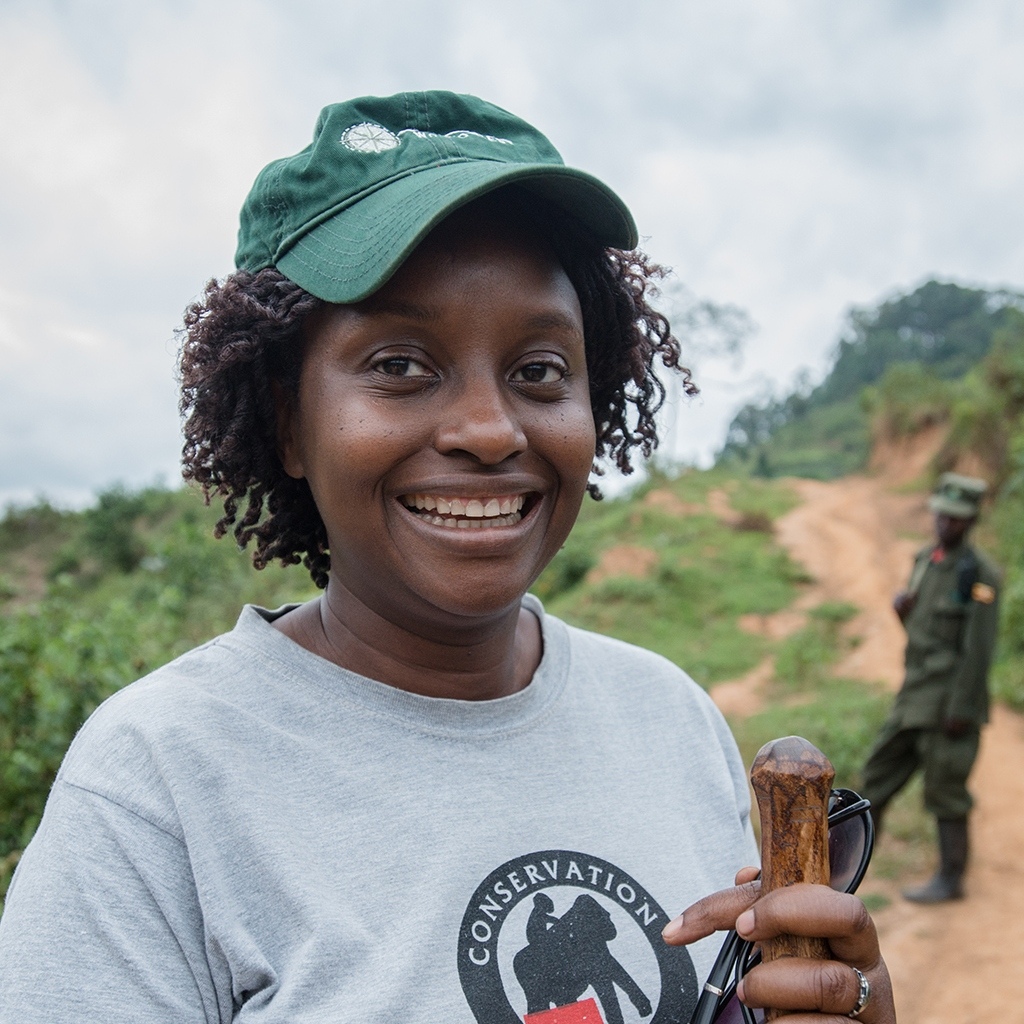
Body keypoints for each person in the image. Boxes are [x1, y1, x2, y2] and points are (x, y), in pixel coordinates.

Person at [0, 91, 894, 1023]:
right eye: (399, 365)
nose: (487, 428)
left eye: (540, 371)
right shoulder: (160, 784)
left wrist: (856, 1004)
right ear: (286, 423)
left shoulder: (669, 719)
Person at [861, 472, 1000, 904]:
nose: (947, 524)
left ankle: (951, 879)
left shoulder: (979, 575)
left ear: (971, 520)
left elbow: (977, 650)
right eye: (943, 515)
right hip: (913, 696)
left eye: (957, 519)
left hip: (948, 705)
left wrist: (963, 708)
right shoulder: (926, 560)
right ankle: (846, 873)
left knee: (945, 791)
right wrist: (903, 612)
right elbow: (926, 634)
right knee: (873, 781)